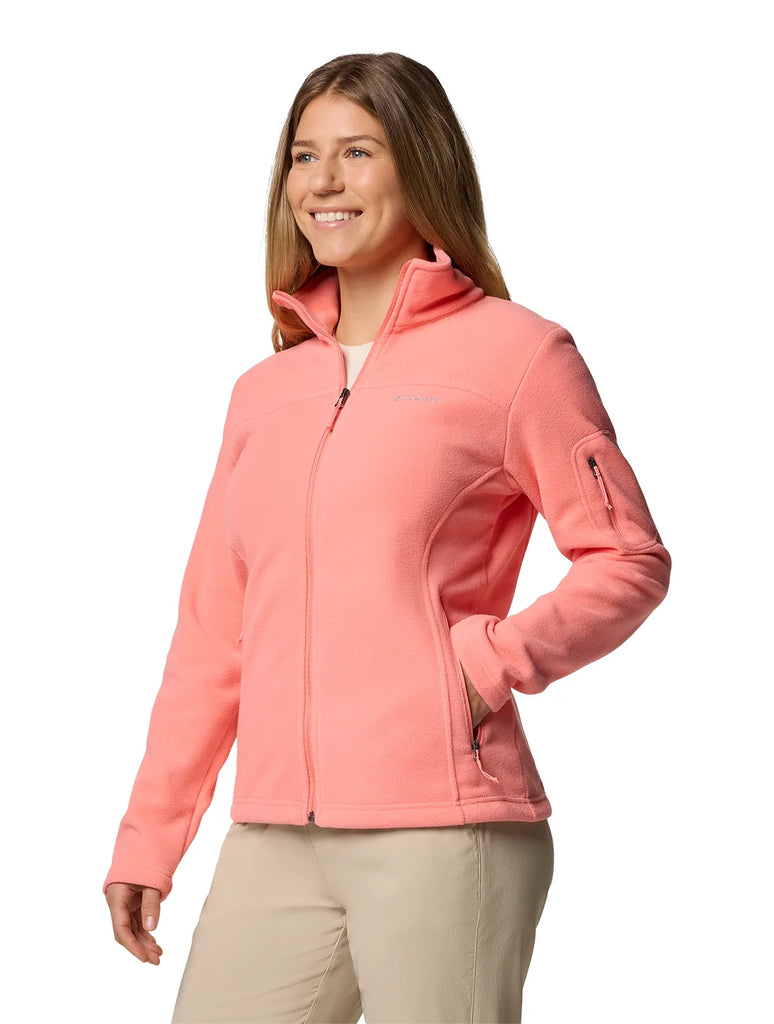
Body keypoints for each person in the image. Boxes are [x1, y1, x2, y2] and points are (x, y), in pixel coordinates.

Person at [103, 51, 672, 1024]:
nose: (323, 181)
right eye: (304, 155)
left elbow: (628, 557)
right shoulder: (264, 393)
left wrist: (486, 664)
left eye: (358, 152)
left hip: (442, 828)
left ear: (423, 166)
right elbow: (212, 637)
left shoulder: (517, 354)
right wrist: (150, 837)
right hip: (275, 834)